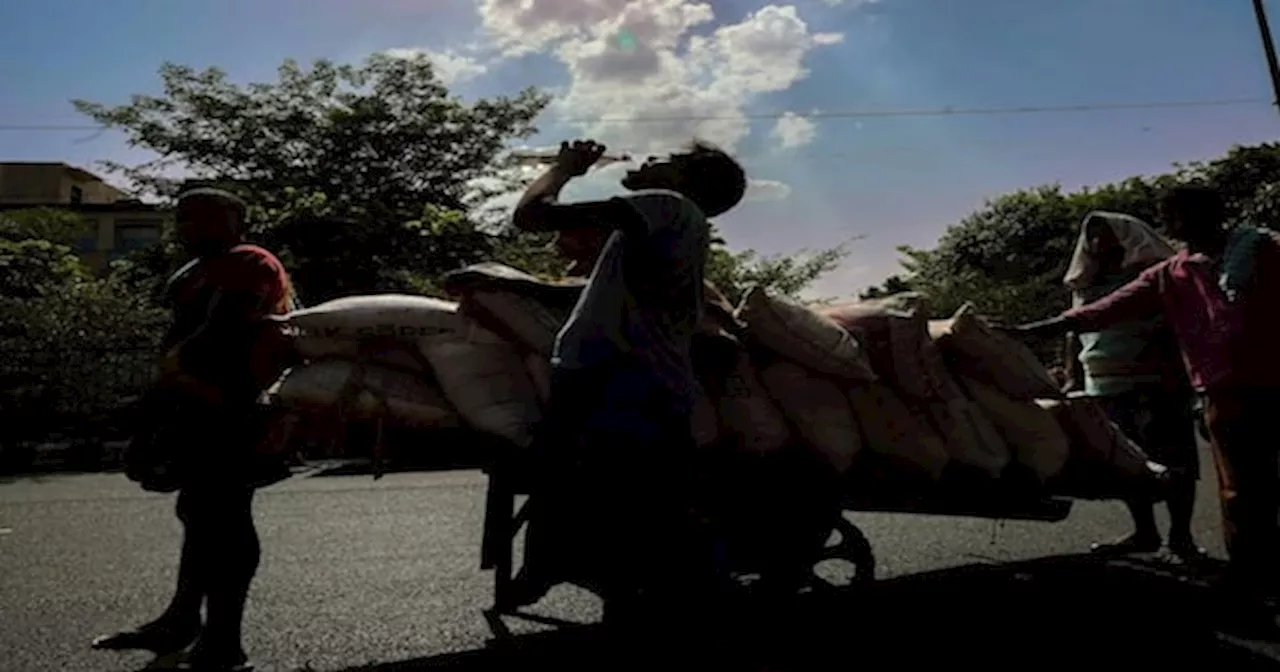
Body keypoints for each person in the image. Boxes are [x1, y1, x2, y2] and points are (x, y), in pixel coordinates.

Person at [502, 139, 747, 614]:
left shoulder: (667, 206)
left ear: (684, 180)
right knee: (596, 491)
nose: (647, 159)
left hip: (623, 379)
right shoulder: (675, 223)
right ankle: (562, 569)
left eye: (666, 159)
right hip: (628, 377)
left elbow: (531, 217)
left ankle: (653, 594)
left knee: (623, 502)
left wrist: (563, 170)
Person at [1012, 185, 1280, 615]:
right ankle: (1252, 572)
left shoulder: (1262, 250)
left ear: (1214, 214)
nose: (1173, 227)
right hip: (1224, 392)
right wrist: (1032, 330)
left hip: (1266, 381)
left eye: (1180, 216)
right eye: (1170, 218)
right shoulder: (1169, 273)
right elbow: (1104, 311)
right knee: (1239, 491)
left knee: (1245, 483)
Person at [93, 188, 296, 672]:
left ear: (237, 221)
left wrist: (171, 375)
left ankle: (224, 641)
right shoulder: (199, 271)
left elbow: (222, 330)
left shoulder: (249, 260)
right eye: (184, 219)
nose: (192, 227)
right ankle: (182, 620)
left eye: (207, 218)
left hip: (234, 407)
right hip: (198, 407)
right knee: (201, 511)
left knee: (223, 516)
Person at [1059, 212, 1201, 558]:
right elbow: (1074, 332)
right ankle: (1145, 532)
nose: (1097, 243)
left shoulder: (1152, 279)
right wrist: (1071, 376)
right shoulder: (1086, 284)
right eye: (1091, 236)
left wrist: (1186, 381)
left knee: (1174, 460)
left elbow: (1179, 330)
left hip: (1154, 382)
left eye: (1104, 234)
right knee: (1129, 462)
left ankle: (1181, 538)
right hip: (1104, 385)